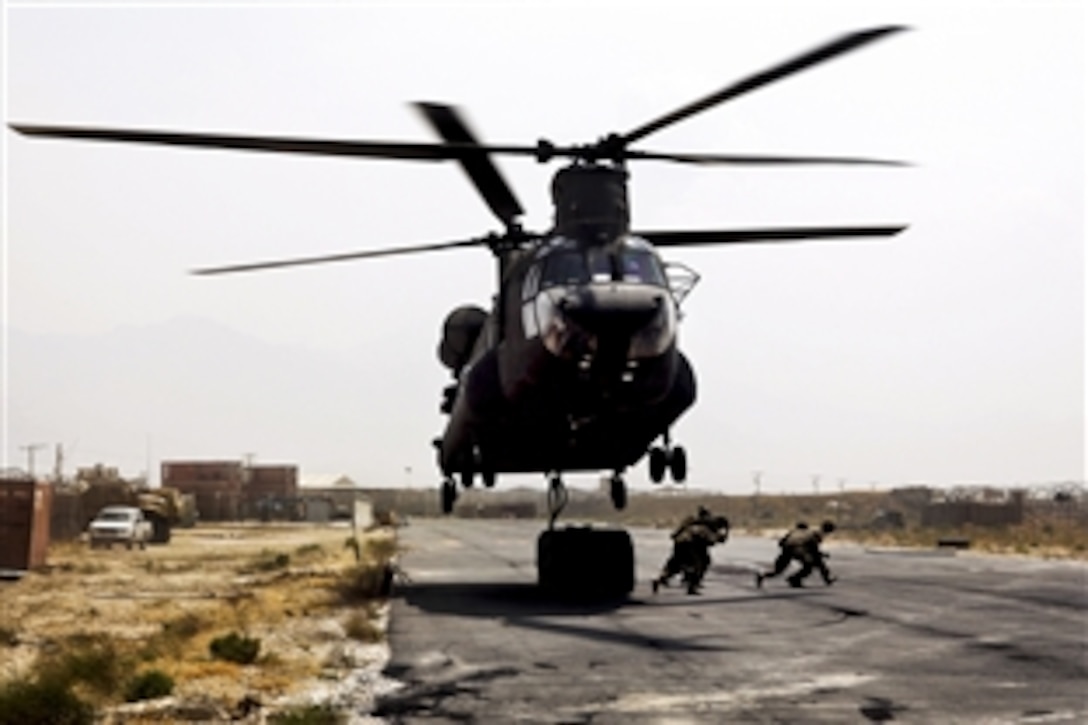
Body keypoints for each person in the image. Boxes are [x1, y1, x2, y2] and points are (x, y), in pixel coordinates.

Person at [653, 509, 729, 594]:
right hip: (691, 544)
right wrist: (721, 537)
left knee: (676, 564)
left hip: (681, 542)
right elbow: (711, 540)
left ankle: (661, 579)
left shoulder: (691, 522)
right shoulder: (705, 527)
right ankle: (692, 586)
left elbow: (676, 534)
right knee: (698, 564)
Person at [755, 520, 836, 589]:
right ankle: (795, 579)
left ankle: (763, 574)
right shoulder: (816, 534)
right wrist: (821, 555)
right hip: (798, 549)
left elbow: (781, 543)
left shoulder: (795, 532)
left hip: (787, 549)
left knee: (778, 570)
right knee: (811, 565)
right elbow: (814, 550)